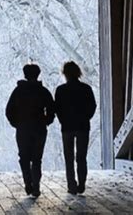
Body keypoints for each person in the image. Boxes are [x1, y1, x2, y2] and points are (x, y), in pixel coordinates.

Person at [6, 64, 55, 197]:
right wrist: (46, 121)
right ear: (38, 74)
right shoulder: (43, 91)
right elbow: (51, 109)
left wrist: (16, 123)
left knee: (24, 158)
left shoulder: (18, 91)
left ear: (25, 75)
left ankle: (28, 183)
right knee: (37, 159)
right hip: (39, 128)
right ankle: (36, 186)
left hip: (23, 129)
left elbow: (9, 110)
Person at [54, 61, 96, 195]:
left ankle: (71, 185)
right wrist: (85, 118)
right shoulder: (86, 88)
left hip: (67, 127)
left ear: (65, 73)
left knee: (69, 157)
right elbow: (92, 106)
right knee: (81, 157)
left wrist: (63, 120)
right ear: (78, 73)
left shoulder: (61, 90)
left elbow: (57, 109)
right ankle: (82, 183)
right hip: (83, 126)